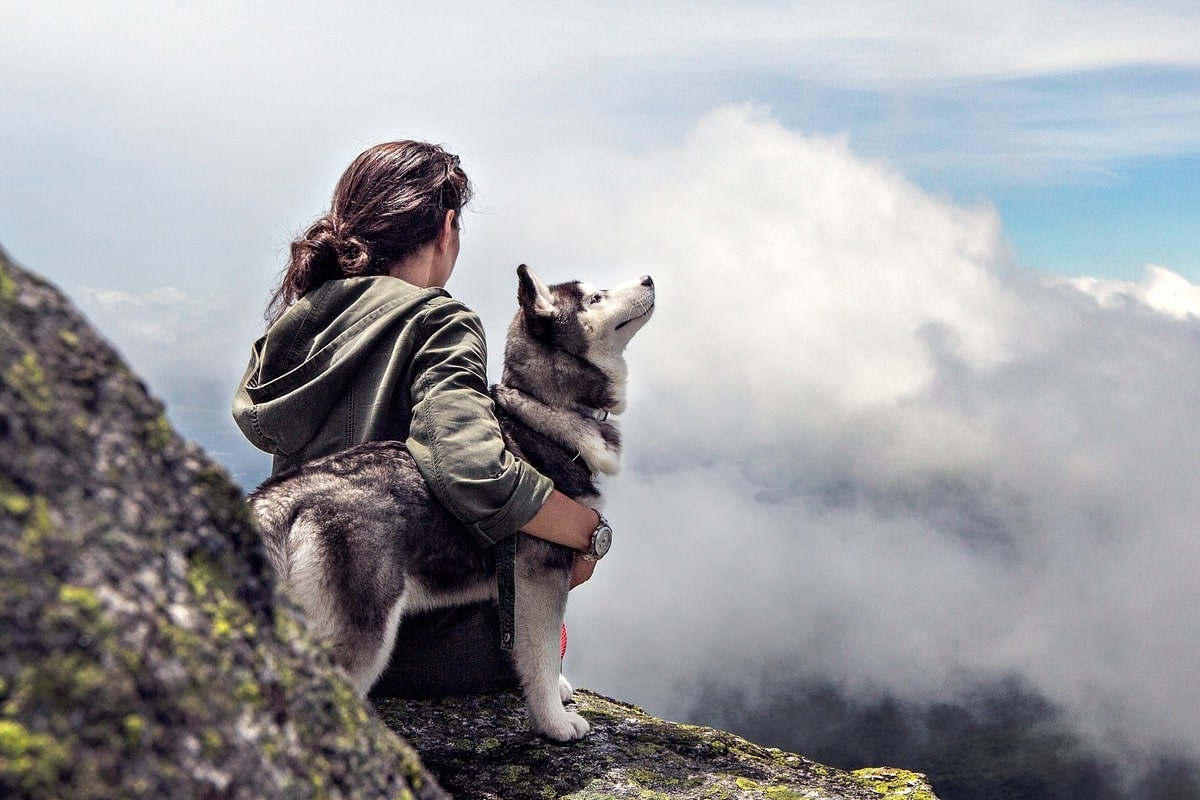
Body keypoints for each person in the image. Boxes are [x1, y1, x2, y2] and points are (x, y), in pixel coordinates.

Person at [232, 140, 604, 698]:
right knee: (548, 619)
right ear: (447, 227)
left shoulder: (298, 325)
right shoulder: (438, 320)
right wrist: (586, 532)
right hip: (400, 641)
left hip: (298, 621)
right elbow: (472, 465)